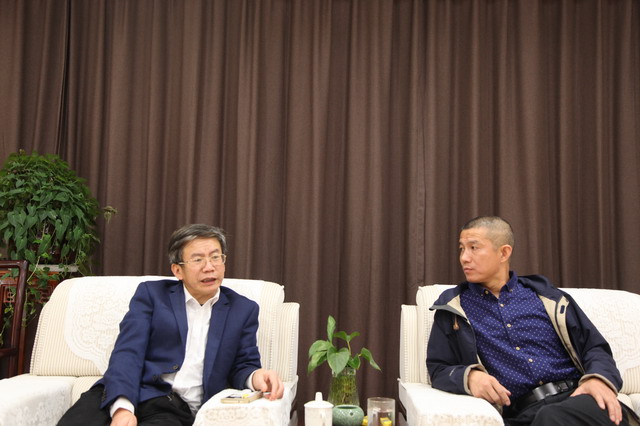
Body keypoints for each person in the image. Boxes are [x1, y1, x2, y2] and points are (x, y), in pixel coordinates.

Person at [58, 224, 284, 426]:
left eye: (216, 257)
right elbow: (128, 352)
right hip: (120, 391)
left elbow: (243, 365)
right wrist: (123, 408)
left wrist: (257, 377)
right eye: (198, 260)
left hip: (172, 409)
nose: (209, 267)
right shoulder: (152, 295)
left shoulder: (242, 309)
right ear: (177, 270)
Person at [427, 216, 638, 426]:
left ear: (504, 253)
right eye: (461, 249)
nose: (464, 258)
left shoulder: (547, 297)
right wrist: (470, 377)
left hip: (577, 400)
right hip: (523, 414)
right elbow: (439, 368)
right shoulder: (454, 307)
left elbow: (594, 348)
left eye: (474, 248)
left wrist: (598, 379)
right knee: (547, 418)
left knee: (552, 417)